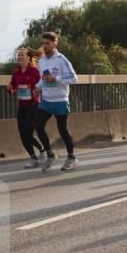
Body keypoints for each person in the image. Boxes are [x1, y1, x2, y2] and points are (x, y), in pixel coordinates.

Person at [35, 32, 79, 171]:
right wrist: (37, 87)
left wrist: (57, 79)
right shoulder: (41, 60)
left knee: (63, 130)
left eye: (48, 43)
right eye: (43, 43)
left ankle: (71, 157)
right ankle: (50, 154)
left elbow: (74, 78)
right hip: (46, 100)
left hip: (60, 100)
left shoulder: (61, 59)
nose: (45, 46)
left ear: (55, 43)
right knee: (38, 125)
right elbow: (44, 78)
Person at [8, 46, 45, 167]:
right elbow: (13, 86)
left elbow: (42, 85)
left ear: (28, 58)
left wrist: (37, 92)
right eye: (18, 55)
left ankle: (42, 150)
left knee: (28, 133)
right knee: (22, 133)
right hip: (22, 106)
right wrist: (10, 89)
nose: (19, 57)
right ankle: (33, 158)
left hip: (34, 105)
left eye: (22, 55)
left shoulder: (34, 71)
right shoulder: (16, 72)